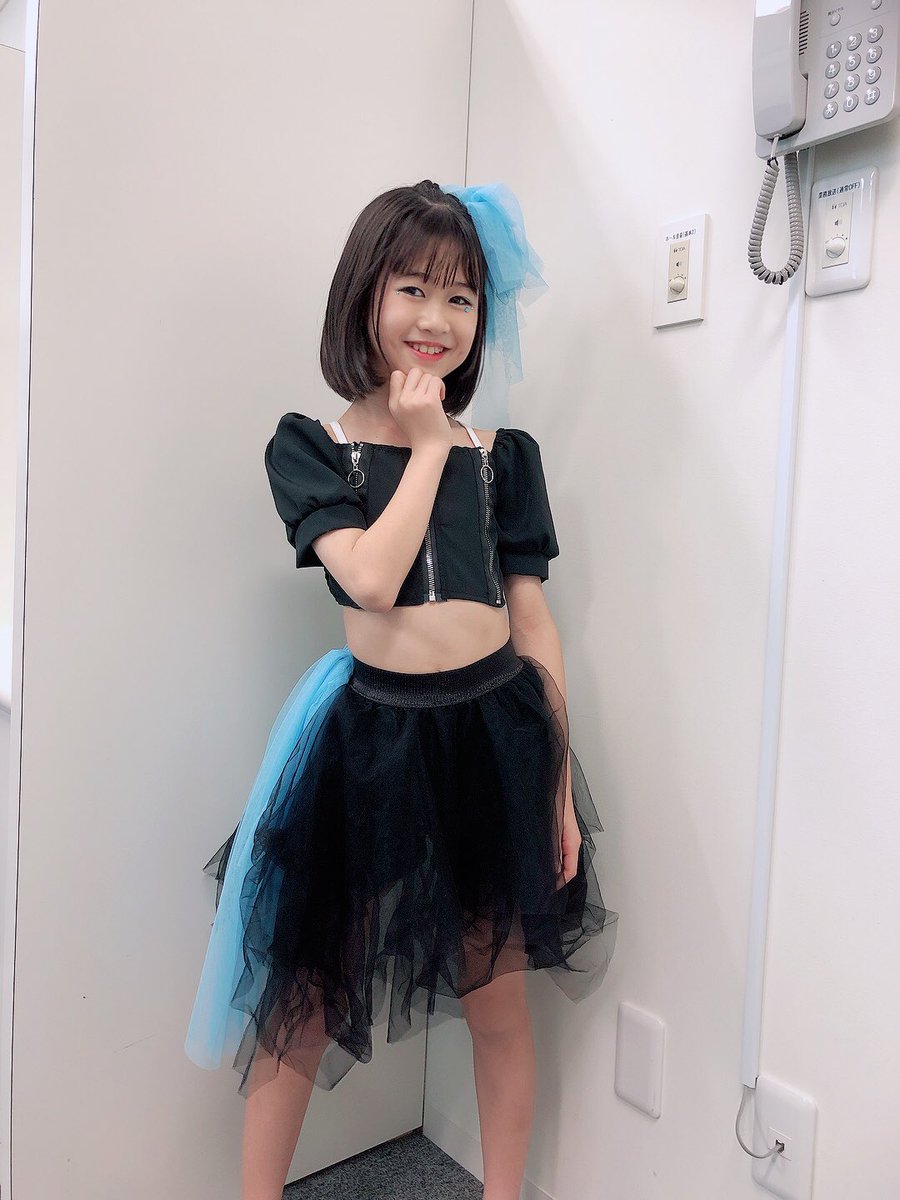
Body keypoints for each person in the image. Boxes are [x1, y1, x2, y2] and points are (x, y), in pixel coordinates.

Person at [185, 179, 618, 1200]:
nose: (436, 318)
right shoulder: (311, 445)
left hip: (496, 737)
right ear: (365, 295)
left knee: (498, 1003)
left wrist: (556, 783)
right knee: (303, 1004)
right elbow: (372, 581)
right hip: (371, 744)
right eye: (413, 287)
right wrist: (425, 446)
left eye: (461, 297)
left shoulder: (505, 458)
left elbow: (534, 625)